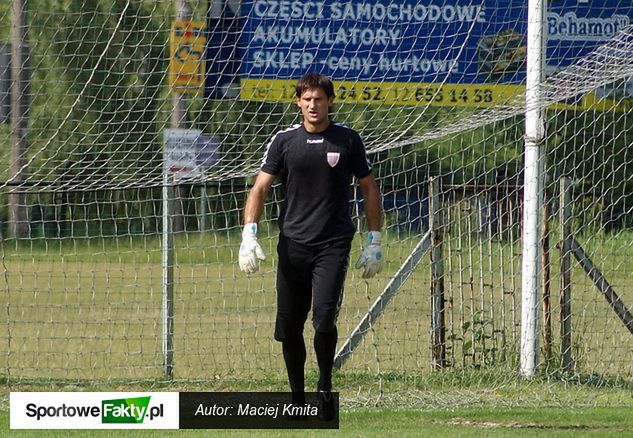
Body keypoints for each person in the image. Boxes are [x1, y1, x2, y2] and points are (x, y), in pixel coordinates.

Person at [238, 72, 383, 420]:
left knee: (323, 319)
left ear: (330, 101)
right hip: (292, 244)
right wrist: (249, 234)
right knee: (289, 325)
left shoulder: (348, 140)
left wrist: (374, 239)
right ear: (298, 103)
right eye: (307, 99)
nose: (313, 105)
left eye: (319, 99)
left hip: (332, 243)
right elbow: (259, 188)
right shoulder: (284, 141)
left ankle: (324, 387)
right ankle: (296, 397)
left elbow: (368, 187)